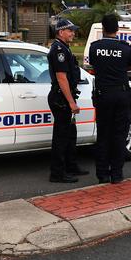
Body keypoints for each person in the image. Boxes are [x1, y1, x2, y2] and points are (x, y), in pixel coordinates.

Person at [88, 14, 131, 184]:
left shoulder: (95, 47)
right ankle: (117, 174)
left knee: (103, 135)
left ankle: (102, 174)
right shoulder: (126, 47)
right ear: (117, 29)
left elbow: (93, 64)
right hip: (122, 95)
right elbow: (130, 66)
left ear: (103, 28)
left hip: (103, 95)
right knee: (119, 134)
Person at [47, 19, 90, 183]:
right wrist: (71, 102)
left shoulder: (64, 48)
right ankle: (57, 173)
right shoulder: (59, 50)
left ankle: (71, 166)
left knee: (71, 134)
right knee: (61, 137)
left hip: (65, 97)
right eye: (70, 30)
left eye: (73, 30)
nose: (73, 33)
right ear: (60, 32)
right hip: (61, 99)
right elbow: (61, 78)